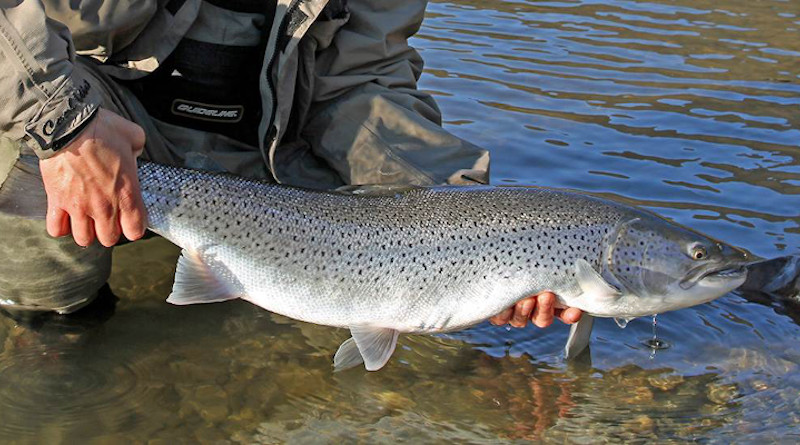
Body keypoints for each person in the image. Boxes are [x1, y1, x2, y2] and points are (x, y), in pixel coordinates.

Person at [0, 0, 581, 328]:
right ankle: (53, 340)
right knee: (51, 293)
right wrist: (65, 126)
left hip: (267, 150)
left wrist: (460, 219)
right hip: (87, 102)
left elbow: (364, 83)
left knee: (419, 304)